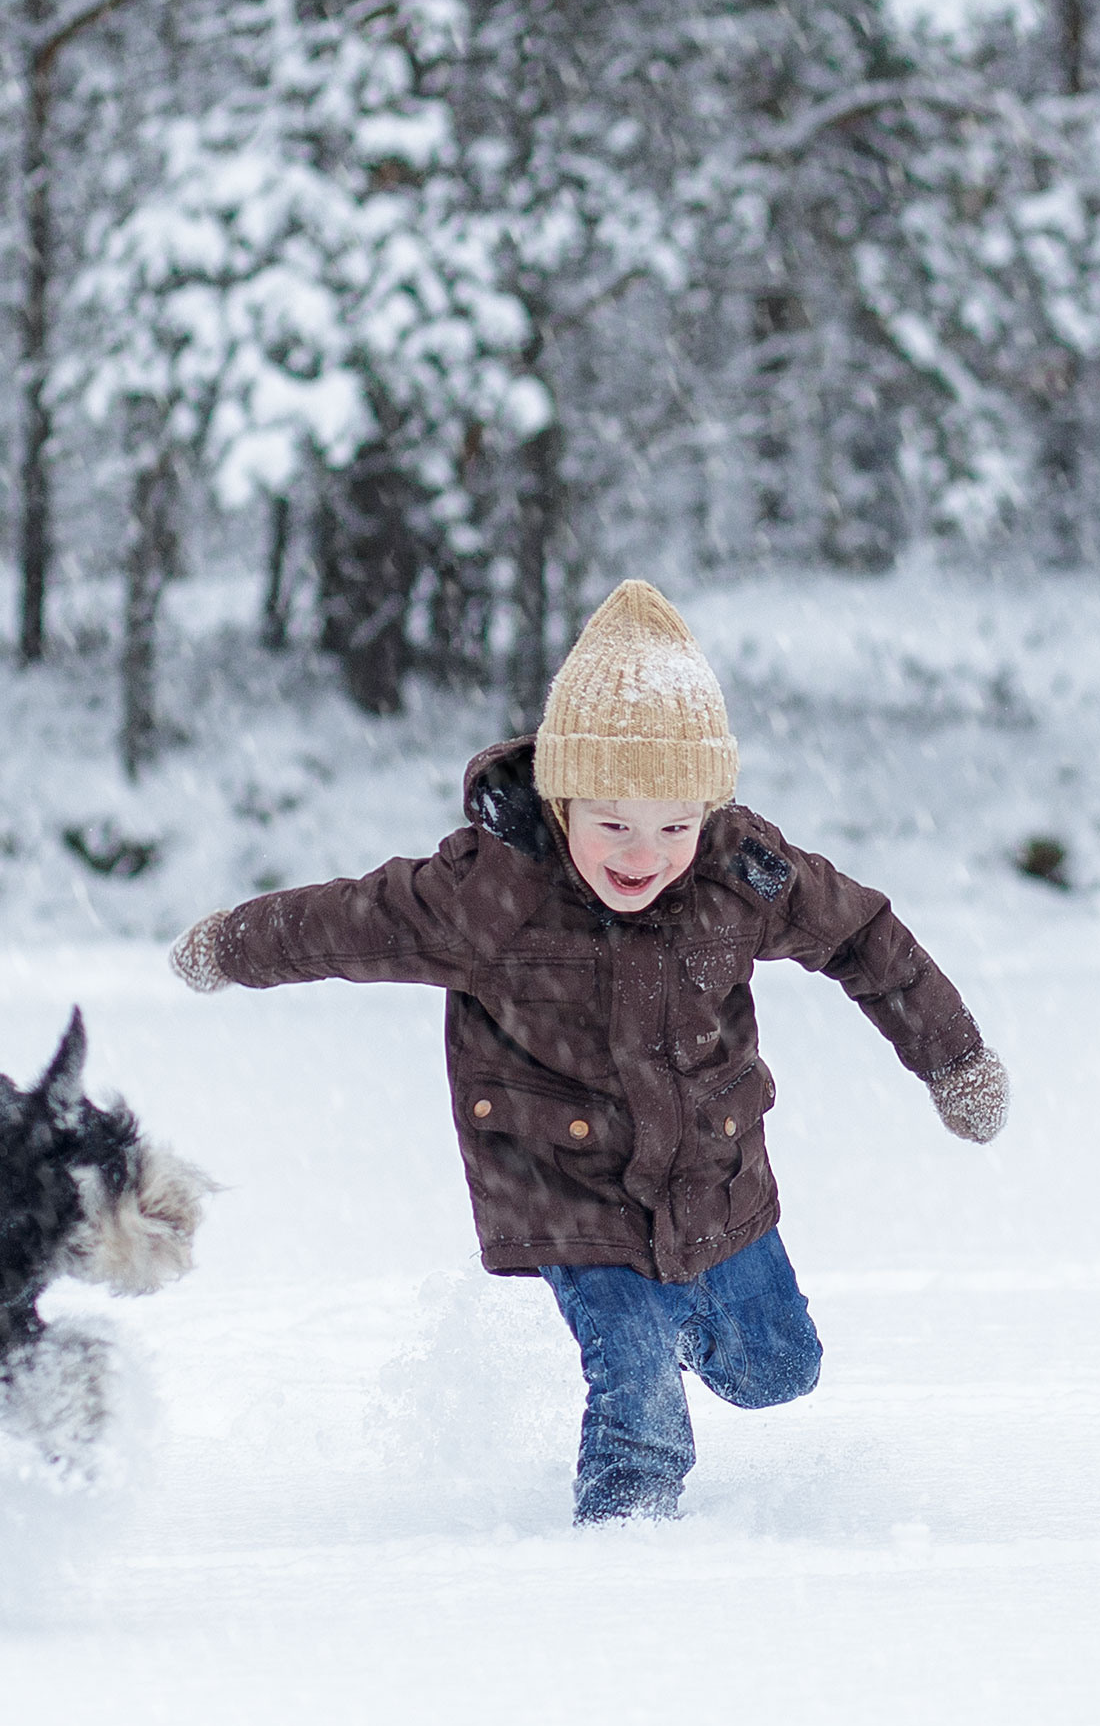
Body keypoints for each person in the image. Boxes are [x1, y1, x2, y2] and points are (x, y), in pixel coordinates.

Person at [169, 579, 1008, 1524]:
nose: (643, 853)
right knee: (641, 1415)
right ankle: (615, 1577)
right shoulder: (491, 895)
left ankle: (677, 1321)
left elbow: (863, 938)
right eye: (613, 823)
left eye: (673, 826)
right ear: (564, 801)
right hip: (567, 1187)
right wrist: (230, 945)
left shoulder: (742, 872)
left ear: (708, 811)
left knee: (782, 1370)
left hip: (712, 1177)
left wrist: (953, 1059)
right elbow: (344, 922)